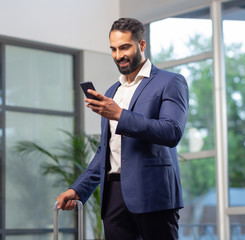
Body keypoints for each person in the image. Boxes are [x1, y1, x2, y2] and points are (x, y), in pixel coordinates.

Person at [56, 17, 189, 240]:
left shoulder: (170, 82)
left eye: (125, 47)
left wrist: (119, 114)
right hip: (114, 198)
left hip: (154, 194)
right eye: (114, 49)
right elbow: (105, 151)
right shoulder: (112, 92)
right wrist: (79, 189)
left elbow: (172, 132)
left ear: (142, 45)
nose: (119, 55)